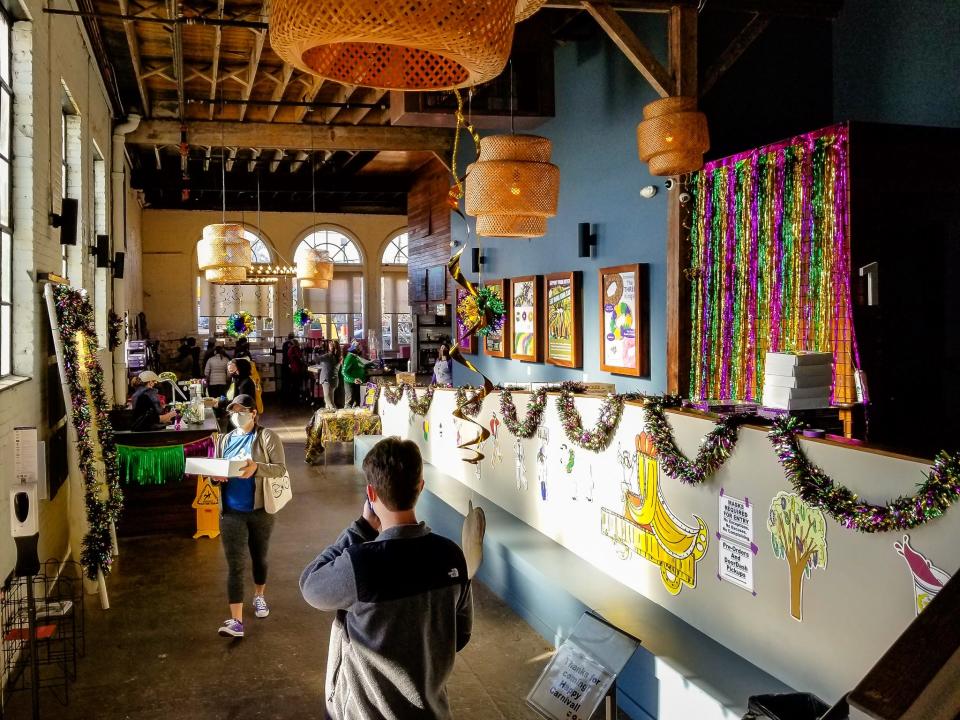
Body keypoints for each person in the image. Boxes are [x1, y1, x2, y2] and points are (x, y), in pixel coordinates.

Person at [300, 438, 472, 718]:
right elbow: (460, 634)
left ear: (371, 493)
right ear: (420, 487)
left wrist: (360, 528)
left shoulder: (361, 564)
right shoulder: (451, 556)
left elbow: (310, 586)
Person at [212, 394, 287, 638]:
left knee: (259, 557)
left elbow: (280, 469)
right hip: (231, 511)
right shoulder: (224, 440)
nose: (236, 415)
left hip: (260, 511)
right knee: (235, 565)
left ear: (253, 413)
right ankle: (236, 621)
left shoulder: (267, 437)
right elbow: (217, 469)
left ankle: (259, 595)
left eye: (242, 410)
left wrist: (257, 468)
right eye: (233, 411)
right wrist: (216, 476)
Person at [341, 342, 370, 408]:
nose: (361, 349)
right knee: (349, 402)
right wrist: (353, 380)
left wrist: (371, 364)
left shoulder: (357, 357)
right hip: (350, 383)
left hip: (358, 382)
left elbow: (362, 365)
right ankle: (346, 417)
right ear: (355, 349)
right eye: (359, 348)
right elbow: (343, 372)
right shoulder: (350, 358)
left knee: (357, 402)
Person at [314, 339, 341, 410]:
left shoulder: (328, 356)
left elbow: (316, 359)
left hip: (327, 379)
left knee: (328, 401)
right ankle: (330, 418)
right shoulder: (338, 356)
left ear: (330, 347)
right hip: (334, 379)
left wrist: (315, 350)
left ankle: (336, 415)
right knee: (331, 401)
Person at [286, 338, 305, 403]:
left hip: (293, 368)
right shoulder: (295, 348)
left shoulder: (290, 349)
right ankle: (297, 398)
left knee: (294, 383)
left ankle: (293, 398)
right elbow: (299, 357)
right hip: (297, 368)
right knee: (297, 383)